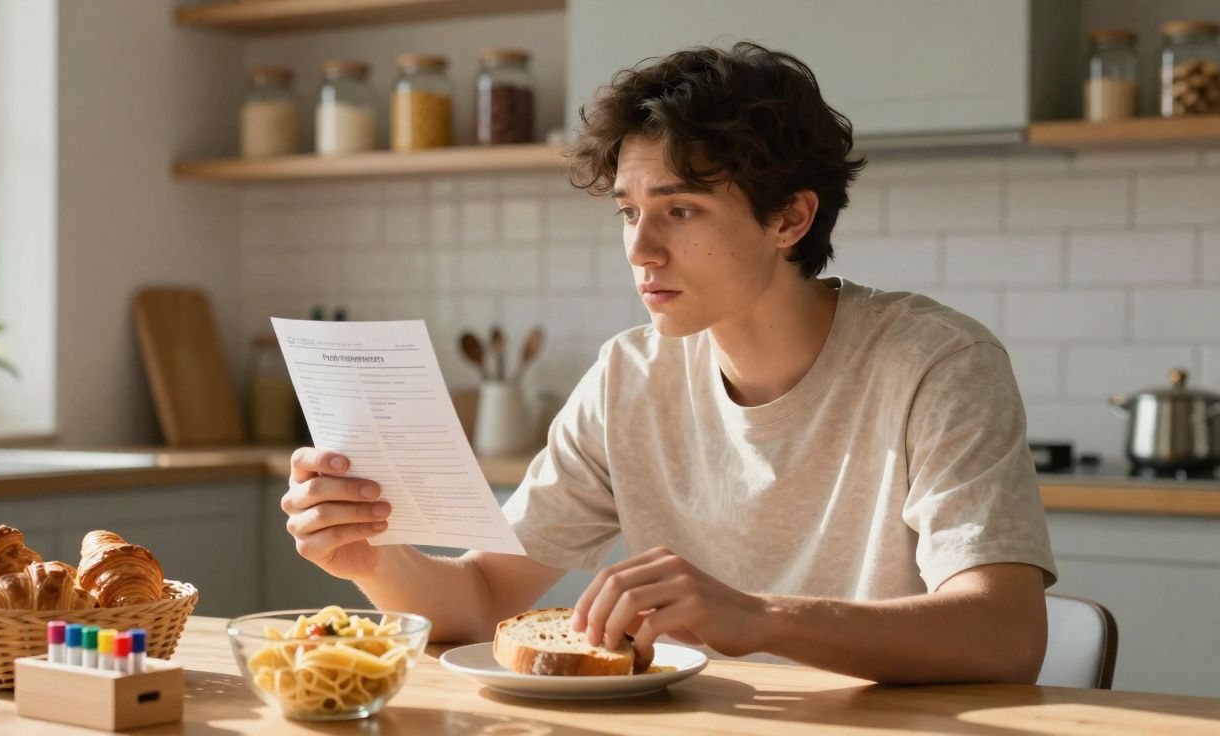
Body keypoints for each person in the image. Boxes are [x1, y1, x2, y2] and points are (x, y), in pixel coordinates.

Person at [281, 41, 1057, 685]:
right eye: (629, 212)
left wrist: (756, 617)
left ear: (789, 216)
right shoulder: (630, 375)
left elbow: (1006, 632)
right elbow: (483, 597)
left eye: (680, 211)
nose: (641, 250)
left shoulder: (935, 362)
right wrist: (371, 557)